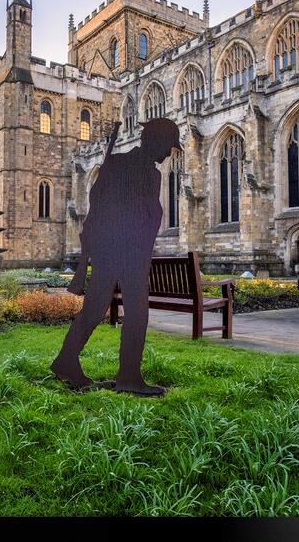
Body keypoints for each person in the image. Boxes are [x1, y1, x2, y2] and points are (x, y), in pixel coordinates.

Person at [51, 118, 182, 396]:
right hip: (128, 251)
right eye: (169, 147)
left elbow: (98, 201)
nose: (169, 154)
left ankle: (66, 360)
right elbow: (149, 213)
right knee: (137, 313)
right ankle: (129, 376)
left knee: (94, 309)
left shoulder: (117, 163)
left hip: (106, 249)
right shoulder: (149, 174)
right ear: (157, 142)